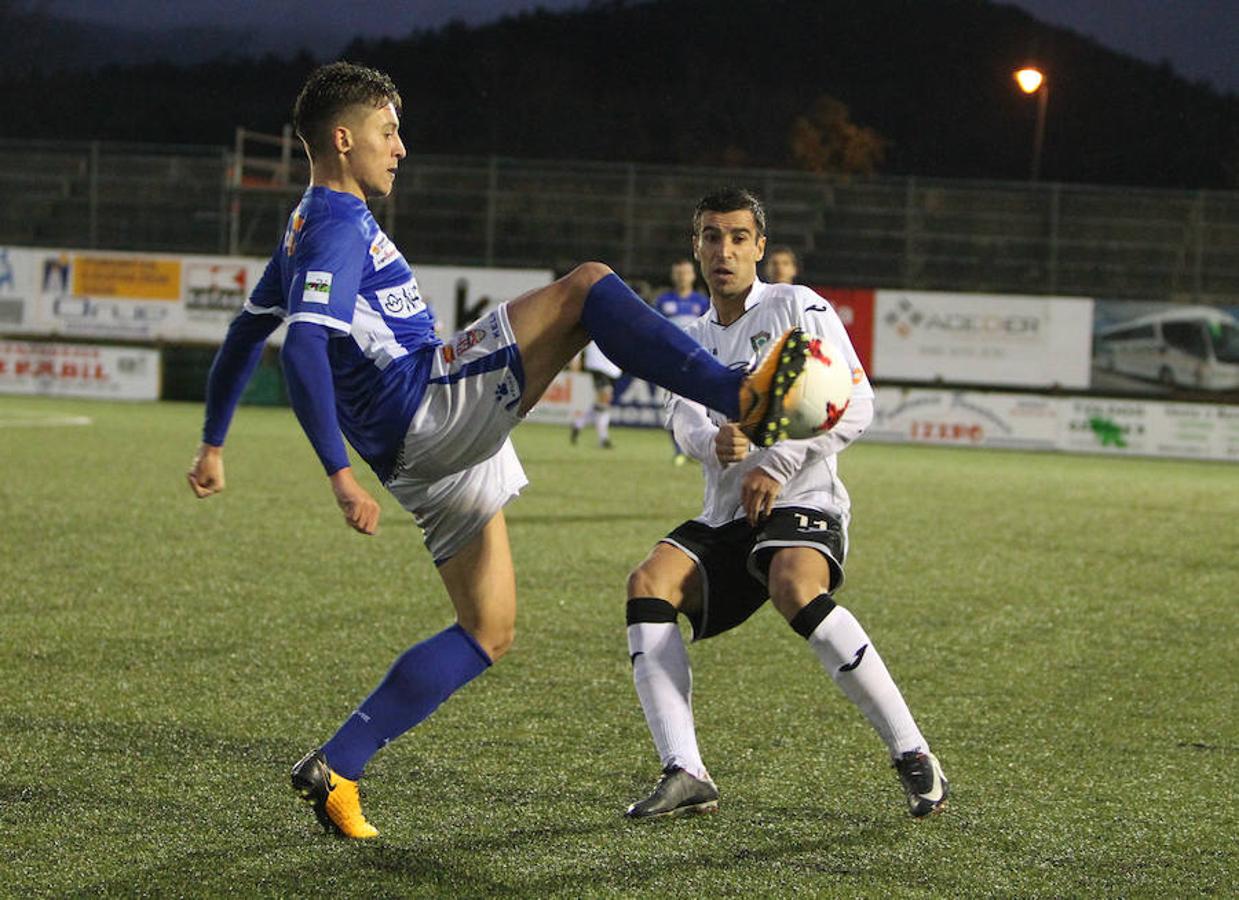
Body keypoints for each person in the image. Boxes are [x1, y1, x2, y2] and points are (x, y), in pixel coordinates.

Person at [184, 63, 805, 840]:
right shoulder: (337, 226)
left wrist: (213, 445)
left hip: (419, 459)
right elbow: (301, 348)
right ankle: (734, 392)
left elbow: (245, 336)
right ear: (342, 141)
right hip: (423, 409)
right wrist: (337, 475)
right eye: (386, 132)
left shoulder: (306, 227)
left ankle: (338, 766)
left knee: (488, 629)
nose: (400, 148)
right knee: (586, 287)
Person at [623, 187, 949, 821]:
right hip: (726, 512)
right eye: (712, 237)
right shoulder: (687, 336)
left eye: (739, 238)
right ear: (696, 247)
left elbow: (857, 402)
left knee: (792, 584)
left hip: (804, 497)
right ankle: (686, 771)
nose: (725, 250)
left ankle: (913, 754)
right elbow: (681, 419)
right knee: (648, 584)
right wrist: (712, 441)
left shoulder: (796, 307)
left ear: (760, 248)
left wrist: (777, 460)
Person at [651, 259, 710, 464]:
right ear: (673, 275)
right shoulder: (662, 301)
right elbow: (654, 330)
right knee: (671, 407)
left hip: (696, 361)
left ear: (693, 276)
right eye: (678, 273)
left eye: (686, 272)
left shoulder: (702, 302)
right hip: (670, 361)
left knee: (700, 407)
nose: (682, 276)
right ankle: (678, 450)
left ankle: (697, 449)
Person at [569, 340, 621, 449]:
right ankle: (603, 439)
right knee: (606, 397)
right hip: (597, 364)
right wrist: (575, 358)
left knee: (603, 403)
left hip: (613, 366)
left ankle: (578, 424)